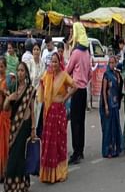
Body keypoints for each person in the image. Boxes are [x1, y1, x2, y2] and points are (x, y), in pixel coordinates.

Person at [38, 53, 77, 183]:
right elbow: (41, 87)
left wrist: (65, 99)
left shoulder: (64, 75)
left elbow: (75, 86)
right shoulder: (48, 75)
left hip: (59, 111)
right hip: (49, 112)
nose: (53, 65)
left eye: (55, 62)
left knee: (59, 141)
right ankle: (48, 173)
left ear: (59, 62)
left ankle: (59, 172)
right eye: (52, 62)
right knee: (48, 141)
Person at [3, 62, 36, 192]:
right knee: (12, 158)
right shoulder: (13, 88)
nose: (20, 73)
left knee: (21, 157)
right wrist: (9, 99)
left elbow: (32, 110)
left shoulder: (30, 90)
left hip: (25, 126)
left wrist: (33, 128)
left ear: (26, 73)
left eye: (22, 71)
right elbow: (5, 108)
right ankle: (11, 186)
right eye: (18, 71)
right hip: (13, 127)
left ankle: (22, 186)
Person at [66, 43, 92, 165]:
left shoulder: (76, 53)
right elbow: (90, 74)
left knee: (75, 123)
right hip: (84, 90)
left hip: (76, 89)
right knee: (81, 122)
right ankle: (80, 151)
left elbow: (67, 70)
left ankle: (76, 153)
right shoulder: (87, 53)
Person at [99, 56, 123, 158]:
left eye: (114, 63)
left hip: (115, 104)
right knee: (108, 128)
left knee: (115, 126)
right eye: (111, 63)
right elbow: (104, 91)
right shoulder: (106, 75)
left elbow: (119, 89)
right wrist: (106, 106)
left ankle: (115, 149)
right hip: (108, 103)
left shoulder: (117, 74)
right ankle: (108, 150)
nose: (112, 65)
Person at [27, 43, 46, 137]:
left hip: (39, 93)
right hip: (30, 93)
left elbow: (43, 79)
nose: (36, 51)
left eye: (38, 49)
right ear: (32, 51)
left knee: (38, 114)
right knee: (30, 115)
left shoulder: (42, 64)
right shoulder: (29, 63)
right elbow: (27, 79)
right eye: (34, 49)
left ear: (40, 51)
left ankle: (36, 136)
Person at [0, 57, 10, 183]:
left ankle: (4, 172)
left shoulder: (7, 81)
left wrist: (3, 91)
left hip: (4, 115)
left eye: (2, 66)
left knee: (4, 145)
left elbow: (10, 97)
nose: (0, 68)